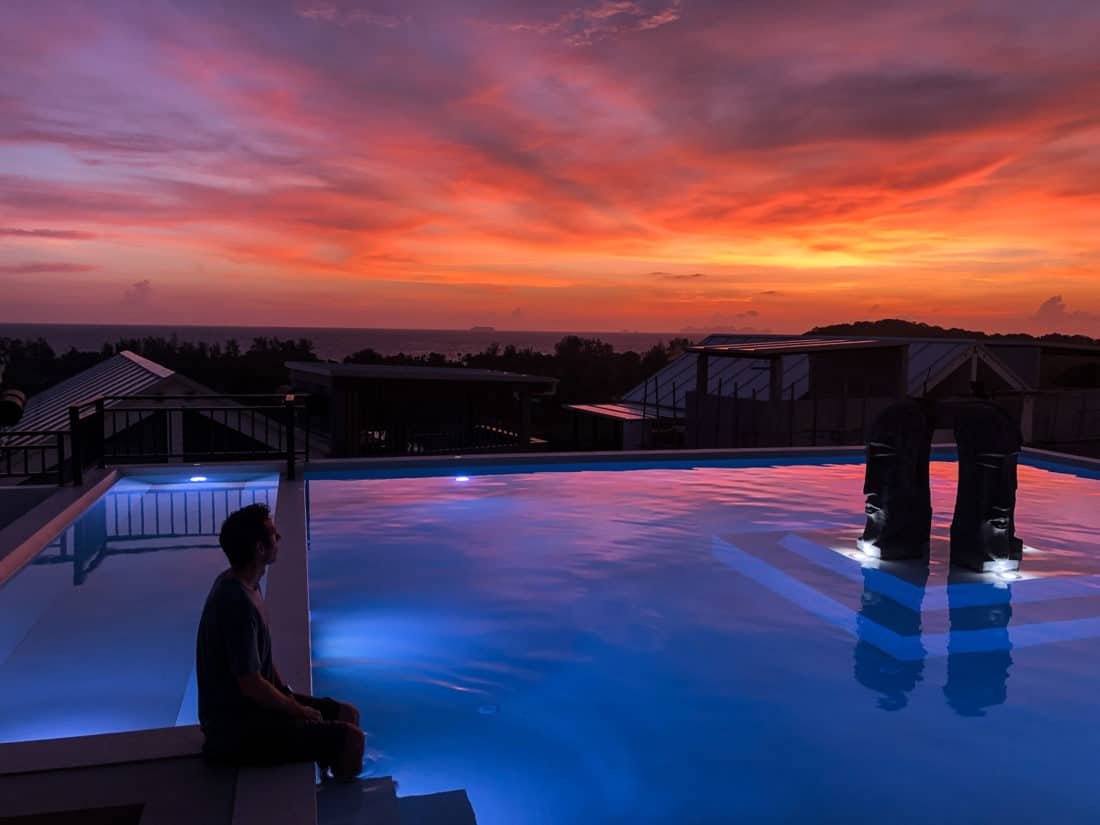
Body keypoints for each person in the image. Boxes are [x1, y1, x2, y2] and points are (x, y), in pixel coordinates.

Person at [196, 503, 365, 780]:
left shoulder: (244, 583)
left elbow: (259, 661)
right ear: (260, 549)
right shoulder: (236, 603)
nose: (280, 538)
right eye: (273, 534)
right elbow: (249, 683)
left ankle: (328, 761)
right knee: (353, 740)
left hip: (255, 711)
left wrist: (287, 695)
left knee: (347, 714)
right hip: (234, 732)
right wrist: (297, 711)